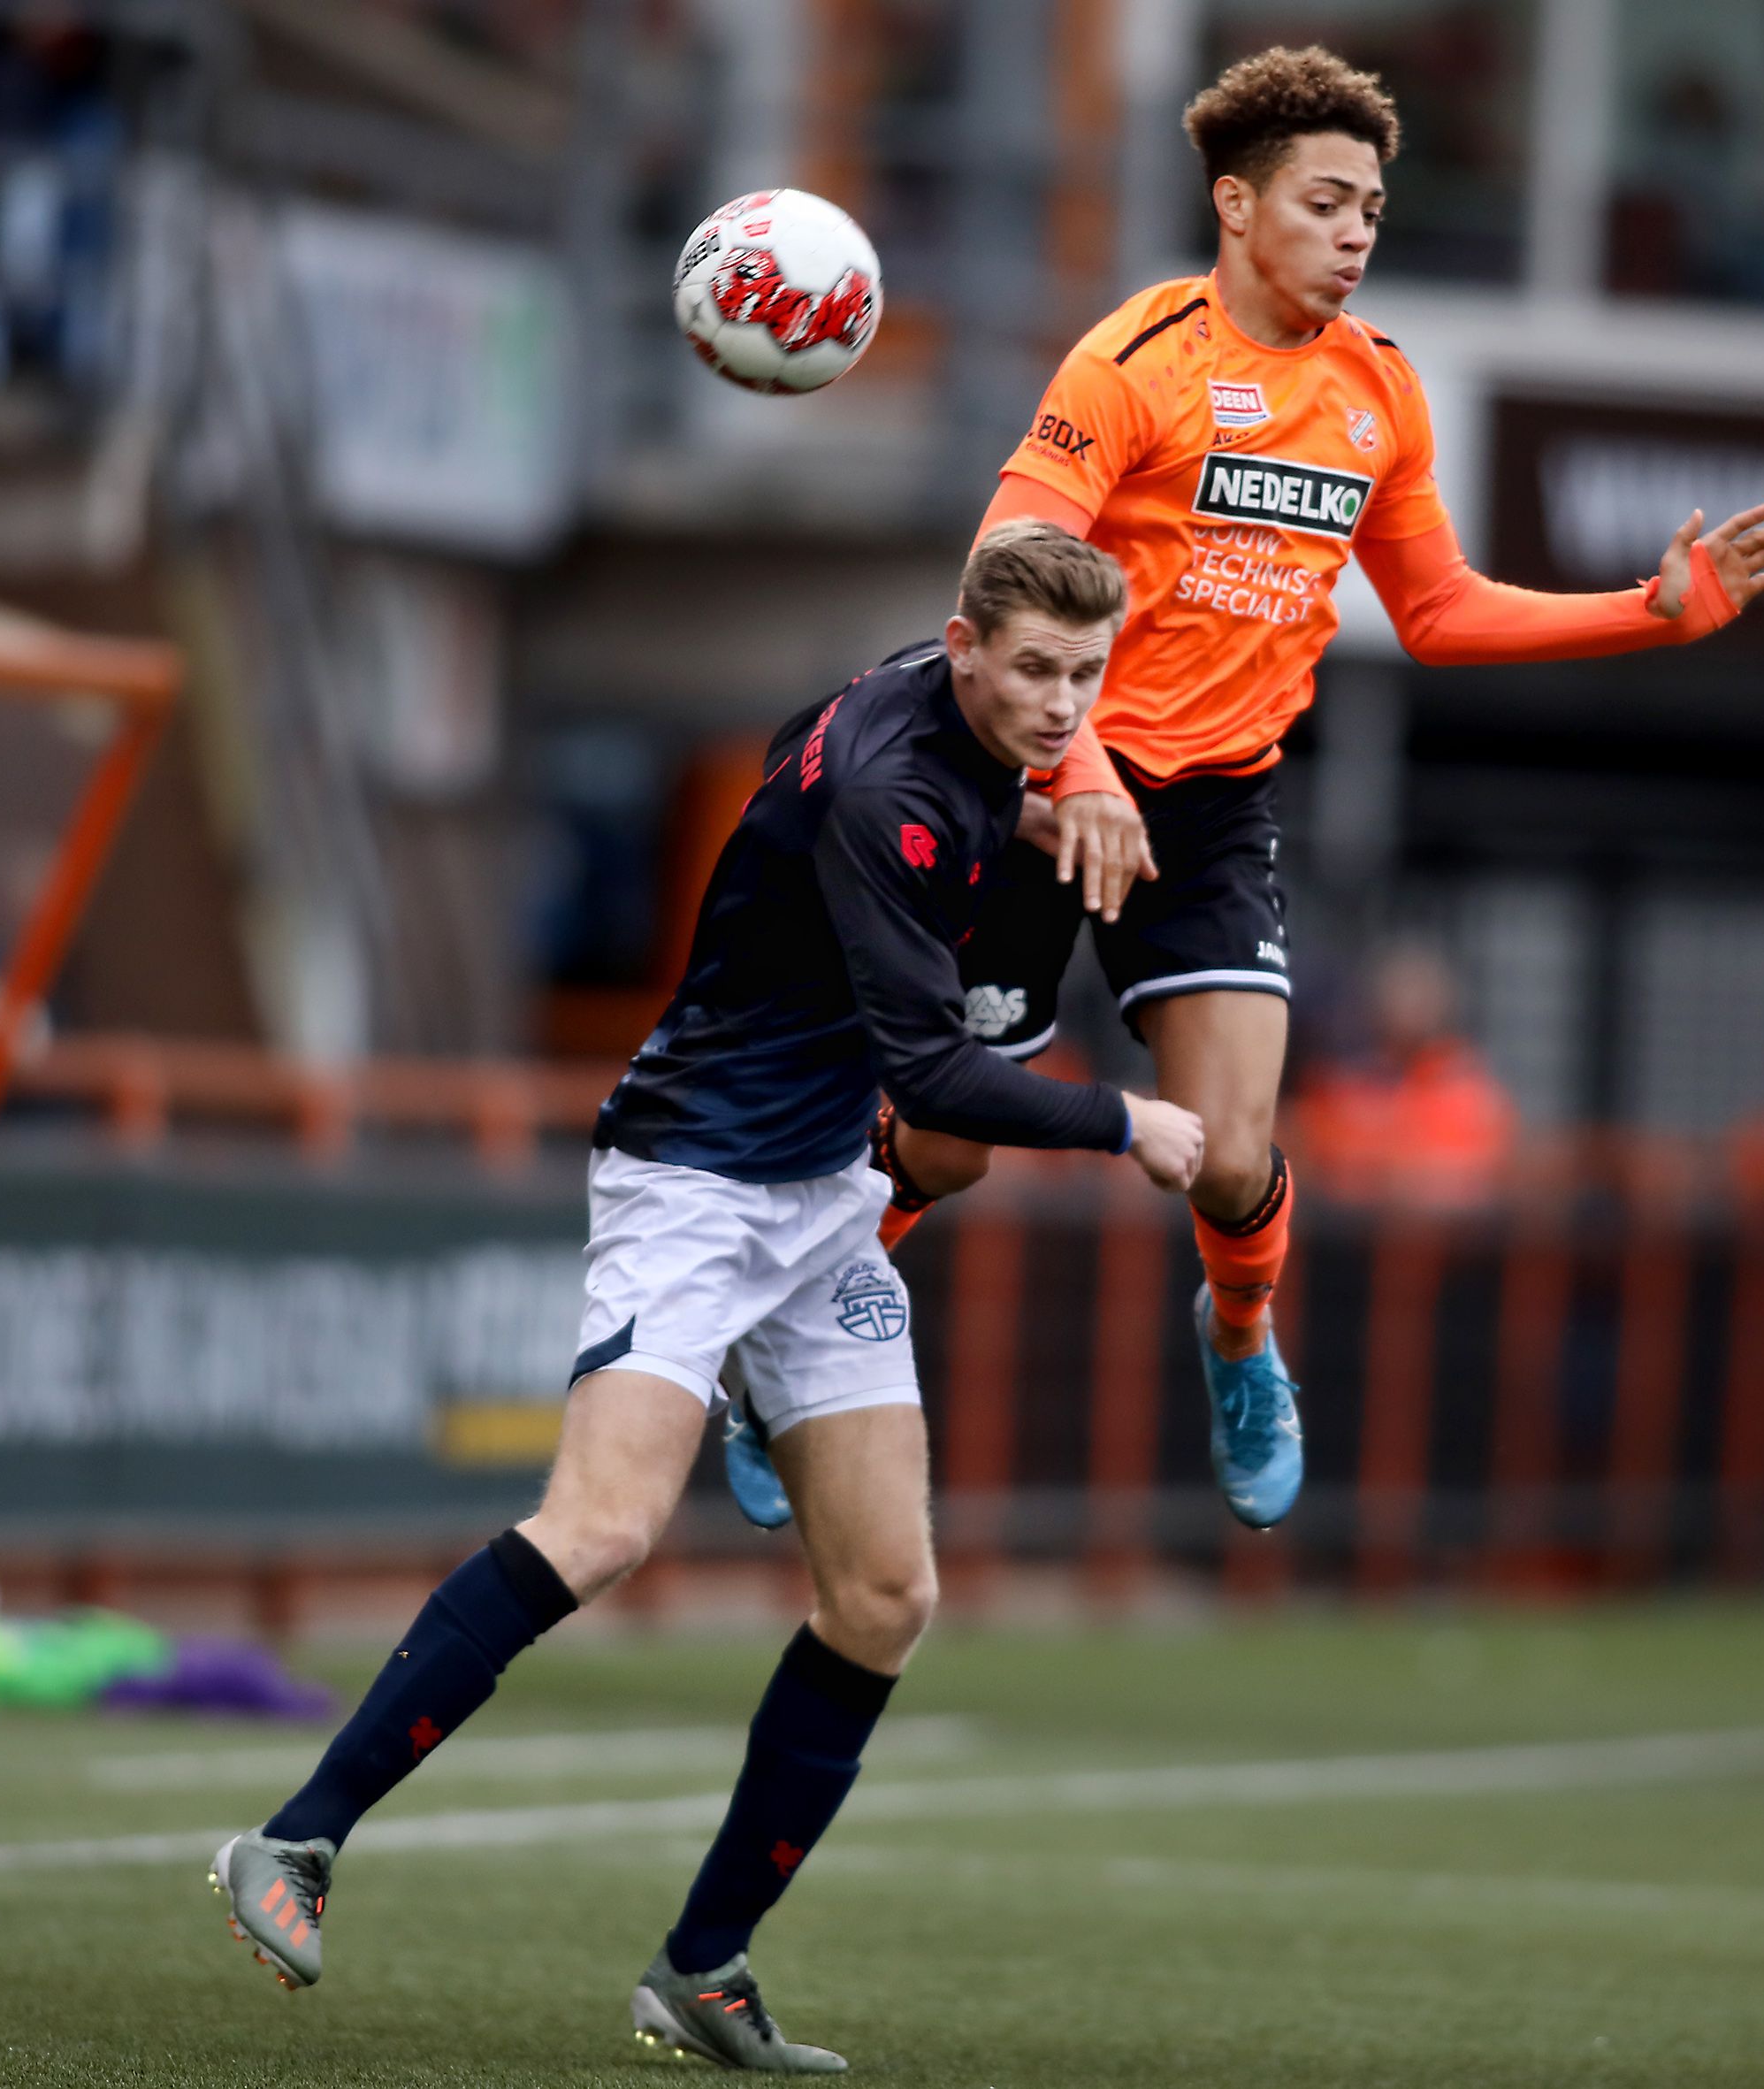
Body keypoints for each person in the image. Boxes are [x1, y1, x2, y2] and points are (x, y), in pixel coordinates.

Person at [210, 524, 1206, 2072]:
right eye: (1033, 672)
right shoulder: (893, 794)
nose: (1064, 702)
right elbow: (935, 1075)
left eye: (1086, 675)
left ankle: (703, 1966)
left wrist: (1053, 787)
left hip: (819, 1199)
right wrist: (1122, 1120)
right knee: (601, 1527)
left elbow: (781, 753)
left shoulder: (902, 706)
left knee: (886, 1595)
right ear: (959, 649)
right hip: (691, 1181)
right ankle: (294, 1840)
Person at [872, 44, 1764, 1529]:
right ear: (1237, 208)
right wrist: (1079, 765)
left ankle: (1239, 1343)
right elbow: (999, 579)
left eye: (1372, 205)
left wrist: (1650, 606)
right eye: (1325, 201)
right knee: (947, 1144)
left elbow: (1434, 609)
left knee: (1233, 1156)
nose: (1357, 230)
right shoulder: (1133, 361)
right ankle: (807, 1323)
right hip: (1045, 781)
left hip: (1212, 807)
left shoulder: (1378, 395)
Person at [1292, 942, 1514, 1209]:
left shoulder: (1471, 1088)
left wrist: (1392, 1174)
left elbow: (1480, 1174)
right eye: (1400, 992)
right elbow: (1320, 1161)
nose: (1407, 1006)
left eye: (1419, 994)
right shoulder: (1348, 1081)